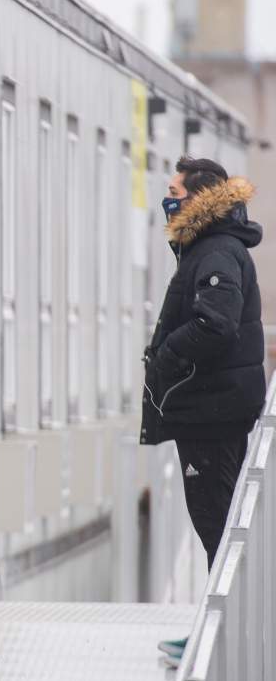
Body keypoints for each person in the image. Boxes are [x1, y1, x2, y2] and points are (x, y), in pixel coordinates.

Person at [138, 156, 264, 667]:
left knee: (215, 524)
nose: (168, 199)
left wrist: (167, 356)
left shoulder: (214, 252)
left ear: (201, 197)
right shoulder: (210, 248)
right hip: (212, 410)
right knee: (217, 524)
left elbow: (217, 324)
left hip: (211, 413)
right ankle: (216, 634)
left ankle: (221, 642)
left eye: (174, 191)